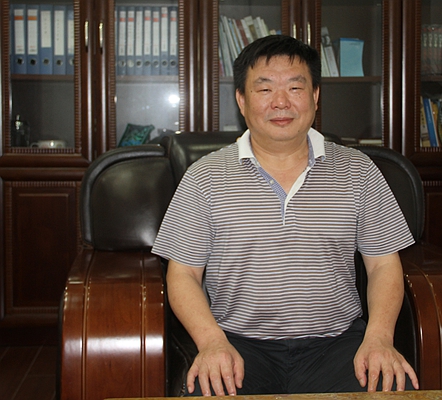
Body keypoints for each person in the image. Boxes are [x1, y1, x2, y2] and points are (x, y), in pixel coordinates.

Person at [151, 34, 419, 396]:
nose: (281, 102)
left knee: (390, 388)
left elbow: (384, 265)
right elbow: (183, 273)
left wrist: (380, 338)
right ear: (241, 100)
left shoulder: (358, 171)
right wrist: (211, 341)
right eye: (265, 89)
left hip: (338, 345)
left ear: (315, 96)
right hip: (238, 345)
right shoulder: (205, 177)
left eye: (295, 87)